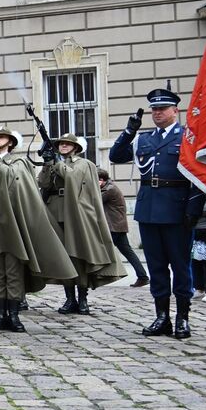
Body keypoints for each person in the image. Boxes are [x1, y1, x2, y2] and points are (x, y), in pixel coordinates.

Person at [109, 87, 200, 339]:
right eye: (154, 109)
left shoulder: (187, 137)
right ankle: (162, 317)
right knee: (157, 267)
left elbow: (198, 176)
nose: (157, 113)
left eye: (163, 109)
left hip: (177, 209)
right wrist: (129, 131)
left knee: (181, 267)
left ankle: (182, 317)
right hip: (149, 210)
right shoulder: (144, 139)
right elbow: (116, 155)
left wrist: (193, 209)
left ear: (175, 111)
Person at [0, 127, 75, 331]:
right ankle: (1, 313)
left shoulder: (18, 162)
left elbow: (9, 178)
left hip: (11, 218)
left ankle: (15, 314)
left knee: (12, 268)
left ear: (11, 142)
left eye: (1, 137)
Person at [37, 133, 124, 314]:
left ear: (76, 147)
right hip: (55, 210)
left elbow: (72, 178)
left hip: (75, 213)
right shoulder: (55, 163)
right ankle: (70, 298)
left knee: (78, 255)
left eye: (68, 144)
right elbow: (43, 184)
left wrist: (56, 162)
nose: (63, 146)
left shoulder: (84, 164)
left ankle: (82, 298)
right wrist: (47, 164)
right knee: (63, 257)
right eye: (61, 143)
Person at [97, 169, 149, 286]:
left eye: (97, 180)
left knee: (102, 250)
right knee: (127, 251)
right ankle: (143, 276)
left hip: (113, 226)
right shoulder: (109, 187)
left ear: (102, 180)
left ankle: (100, 276)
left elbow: (95, 200)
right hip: (117, 226)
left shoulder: (109, 190)